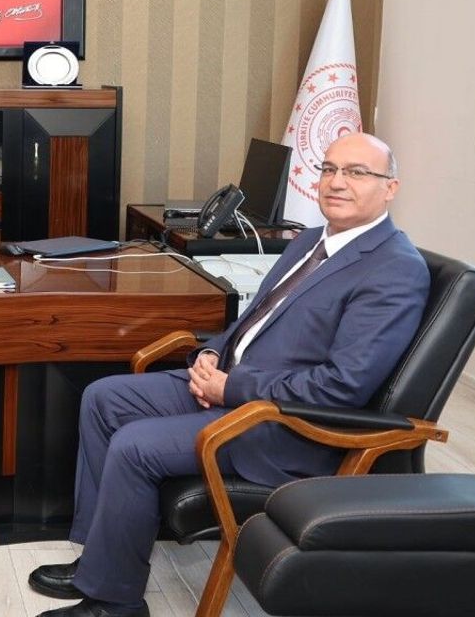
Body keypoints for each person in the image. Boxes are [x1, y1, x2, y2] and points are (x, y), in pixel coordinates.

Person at [27, 133, 430, 617]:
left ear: (390, 188)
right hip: (235, 388)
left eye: (356, 172)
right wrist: (212, 354)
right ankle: (102, 559)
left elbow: (342, 386)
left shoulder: (394, 269)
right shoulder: (309, 240)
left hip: (284, 426)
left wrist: (231, 387)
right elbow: (254, 320)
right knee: (104, 397)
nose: (336, 182)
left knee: (135, 445)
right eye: (329, 169)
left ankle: (115, 603)